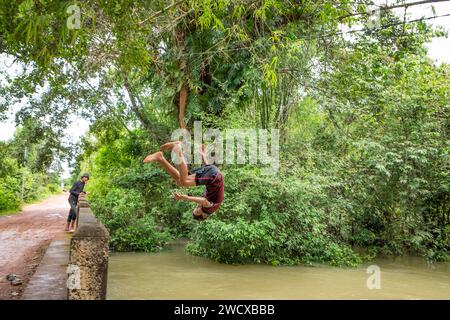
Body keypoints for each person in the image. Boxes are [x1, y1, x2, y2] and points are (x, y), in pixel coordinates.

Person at [144, 142, 224, 221]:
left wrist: (203, 155)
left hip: (213, 174)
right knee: (185, 181)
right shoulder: (209, 210)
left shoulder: (211, 200)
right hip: (214, 177)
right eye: (197, 211)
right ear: (203, 215)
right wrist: (185, 197)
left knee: (180, 181)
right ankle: (177, 148)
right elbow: (203, 201)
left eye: (195, 209)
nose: (197, 208)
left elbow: (210, 169)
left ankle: (160, 158)